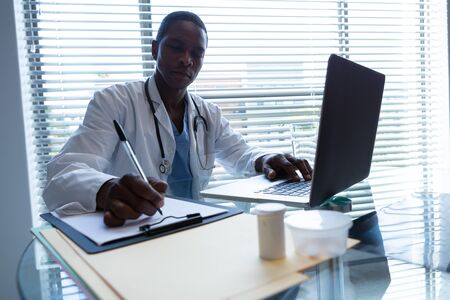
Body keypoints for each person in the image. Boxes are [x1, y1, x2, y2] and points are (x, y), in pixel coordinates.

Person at [43, 11, 312, 227]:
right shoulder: (114, 102)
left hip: (196, 226)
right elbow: (63, 174)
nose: (187, 60)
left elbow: (240, 153)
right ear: (154, 49)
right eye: (176, 48)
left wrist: (265, 159)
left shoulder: (208, 113)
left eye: (197, 53)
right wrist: (106, 189)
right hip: (139, 230)